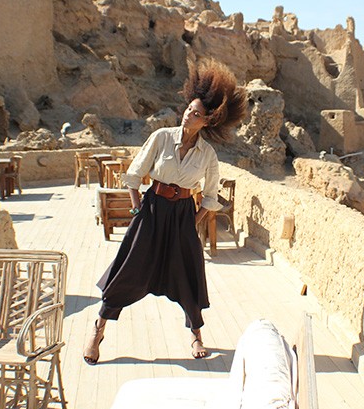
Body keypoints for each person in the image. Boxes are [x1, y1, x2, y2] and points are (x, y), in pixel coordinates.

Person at [83, 60, 247, 364]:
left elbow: (211, 196)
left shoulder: (208, 155)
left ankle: (196, 336)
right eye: (189, 109)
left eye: (197, 114)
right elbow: (134, 174)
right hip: (152, 209)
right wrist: (137, 208)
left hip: (183, 213)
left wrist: (192, 221)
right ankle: (98, 328)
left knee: (189, 273)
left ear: (208, 122)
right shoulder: (161, 137)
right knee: (129, 269)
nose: (189, 115)